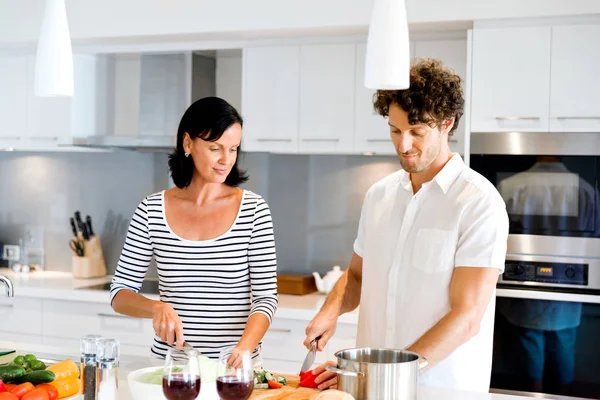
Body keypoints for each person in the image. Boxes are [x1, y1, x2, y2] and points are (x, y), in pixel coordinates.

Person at [304, 59, 509, 392]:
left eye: (417, 132)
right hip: (373, 387)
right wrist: (331, 310)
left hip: (441, 388)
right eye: (396, 130)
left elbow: (468, 317)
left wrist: (383, 373)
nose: (403, 145)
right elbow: (357, 276)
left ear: (447, 123)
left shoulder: (478, 203)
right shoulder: (379, 196)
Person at [110, 97, 278, 367]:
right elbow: (119, 294)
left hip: (234, 370)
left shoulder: (253, 210)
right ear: (188, 143)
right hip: (172, 369)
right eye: (216, 148)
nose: (226, 160)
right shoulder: (151, 210)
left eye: (233, 149)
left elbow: (265, 298)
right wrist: (157, 308)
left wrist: (243, 350)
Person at [495, 156, 599, 395]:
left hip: (520, 271)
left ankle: (533, 390)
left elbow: (497, 232)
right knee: (565, 339)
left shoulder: (511, 185)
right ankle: (566, 391)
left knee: (529, 337)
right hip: (572, 274)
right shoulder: (585, 188)